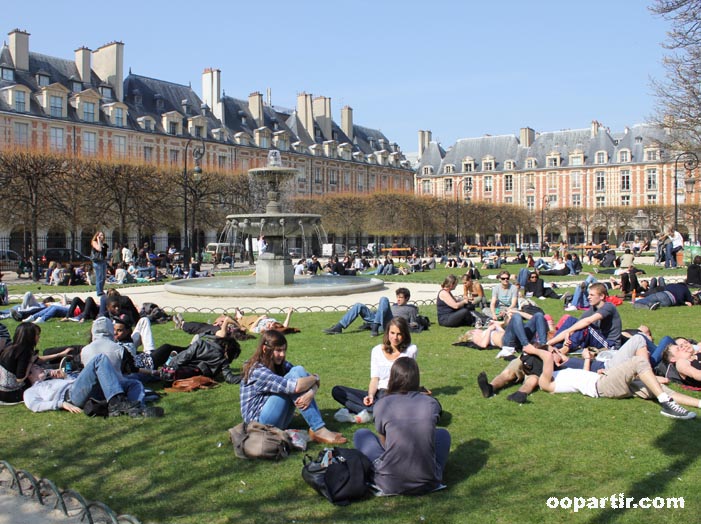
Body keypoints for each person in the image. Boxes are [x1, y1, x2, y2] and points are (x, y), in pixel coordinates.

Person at [353, 358, 450, 495]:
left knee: (361, 434)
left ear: (393, 377)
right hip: (428, 481)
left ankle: (393, 471)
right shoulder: (431, 403)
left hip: (389, 482)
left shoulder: (382, 404)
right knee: (442, 434)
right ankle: (427, 470)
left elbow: (384, 442)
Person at [527, 346, 697, 420]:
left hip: (604, 381)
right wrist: (532, 350)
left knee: (657, 388)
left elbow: (583, 377)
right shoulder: (545, 381)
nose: (555, 352)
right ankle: (666, 403)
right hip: (603, 386)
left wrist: (591, 363)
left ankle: (696, 403)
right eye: (552, 352)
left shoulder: (561, 373)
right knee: (638, 361)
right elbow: (548, 357)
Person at [240, 330, 347, 445]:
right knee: (296, 375)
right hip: (260, 426)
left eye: (284, 350)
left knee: (298, 371)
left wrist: (310, 393)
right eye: (278, 350)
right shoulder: (257, 370)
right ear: (265, 349)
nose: (282, 354)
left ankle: (318, 428)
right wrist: (315, 379)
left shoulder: (279, 364)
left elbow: (305, 377)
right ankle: (319, 429)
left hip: (276, 421)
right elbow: (297, 386)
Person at [332, 317, 418, 423]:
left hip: (396, 394)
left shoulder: (410, 350)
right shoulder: (377, 351)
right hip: (379, 393)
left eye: (399, 334)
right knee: (338, 391)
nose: (395, 337)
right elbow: (375, 379)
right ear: (387, 333)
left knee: (391, 402)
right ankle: (377, 412)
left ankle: (375, 412)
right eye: (392, 333)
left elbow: (409, 379)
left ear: (405, 335)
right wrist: (370, 395)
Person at [23, 353, 161, 417]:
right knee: (99, 359)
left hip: (79, 388)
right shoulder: (31, 391)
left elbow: (78, 382)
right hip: (71, 396)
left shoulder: (51, 380)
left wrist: (66, 376)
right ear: (29, 374)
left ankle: (138, 410)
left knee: (133, 383)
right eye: (36, 368)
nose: (41, 368)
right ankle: (116, 403)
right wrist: (60, 404)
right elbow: (35, 406)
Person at [154, 316, 242, 383]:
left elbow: (184, 357)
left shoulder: (201, 344)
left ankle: (162, 366)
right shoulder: (223, 359)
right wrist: (245, 375)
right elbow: (230, 378)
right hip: (194, 373)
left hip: (178, 371)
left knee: (168, 349)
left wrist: (170, 366)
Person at [548, 283, 622, 353]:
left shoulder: (609, 307)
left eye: (592, 295)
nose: (588, 297)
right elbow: (577, 324)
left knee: (585, 326)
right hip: (598, 339)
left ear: (601, 296)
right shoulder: (593, 308)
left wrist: (569, 331)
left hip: (610, 345)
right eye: (589, 294)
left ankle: (565, 348)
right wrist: (550, 342)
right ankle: (554, 346)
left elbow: (587, 322)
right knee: (571, 320)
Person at [324, 288, 420, 336]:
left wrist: (409, 324)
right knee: (359, 305)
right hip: (379, 319)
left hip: (390, 324)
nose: (398, 299)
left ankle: (375, 327)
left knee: (384, 299)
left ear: (407, 298)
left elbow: (414, 323)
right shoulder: (394, 306)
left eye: (401, 297)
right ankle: (339, 327)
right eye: (397, 297)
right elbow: (381, 311)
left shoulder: (411, 309)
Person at [0, 323, 41, 403]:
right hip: (11, 394)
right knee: (40, 377)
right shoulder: (24, 352)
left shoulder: (10, 348)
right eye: (37, 335)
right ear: (29, 337)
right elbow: (20, 378)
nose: (39, 337)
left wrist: (59, 354)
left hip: (2, 390)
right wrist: (31, 362)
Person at [632, 281, 696, 310]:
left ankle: (650, 304)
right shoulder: (685, 289)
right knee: (660, 303)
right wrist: (684, 302)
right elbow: (690, 300)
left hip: (663, 294)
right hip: (670, 301)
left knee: (639, 302)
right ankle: (652, 305)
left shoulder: (671, 285)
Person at [91, 231, 108, 297]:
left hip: (103, 261)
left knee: (103, 277)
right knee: (99, 277)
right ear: (97, 236)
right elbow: (99, 249)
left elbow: (104, 253)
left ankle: (101, 290)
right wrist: (98, 240)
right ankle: (99, 292)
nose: (102, 237)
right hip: (97, 262)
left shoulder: (103, 243)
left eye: (102, 235)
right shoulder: (94, 242)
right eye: (100, 235)